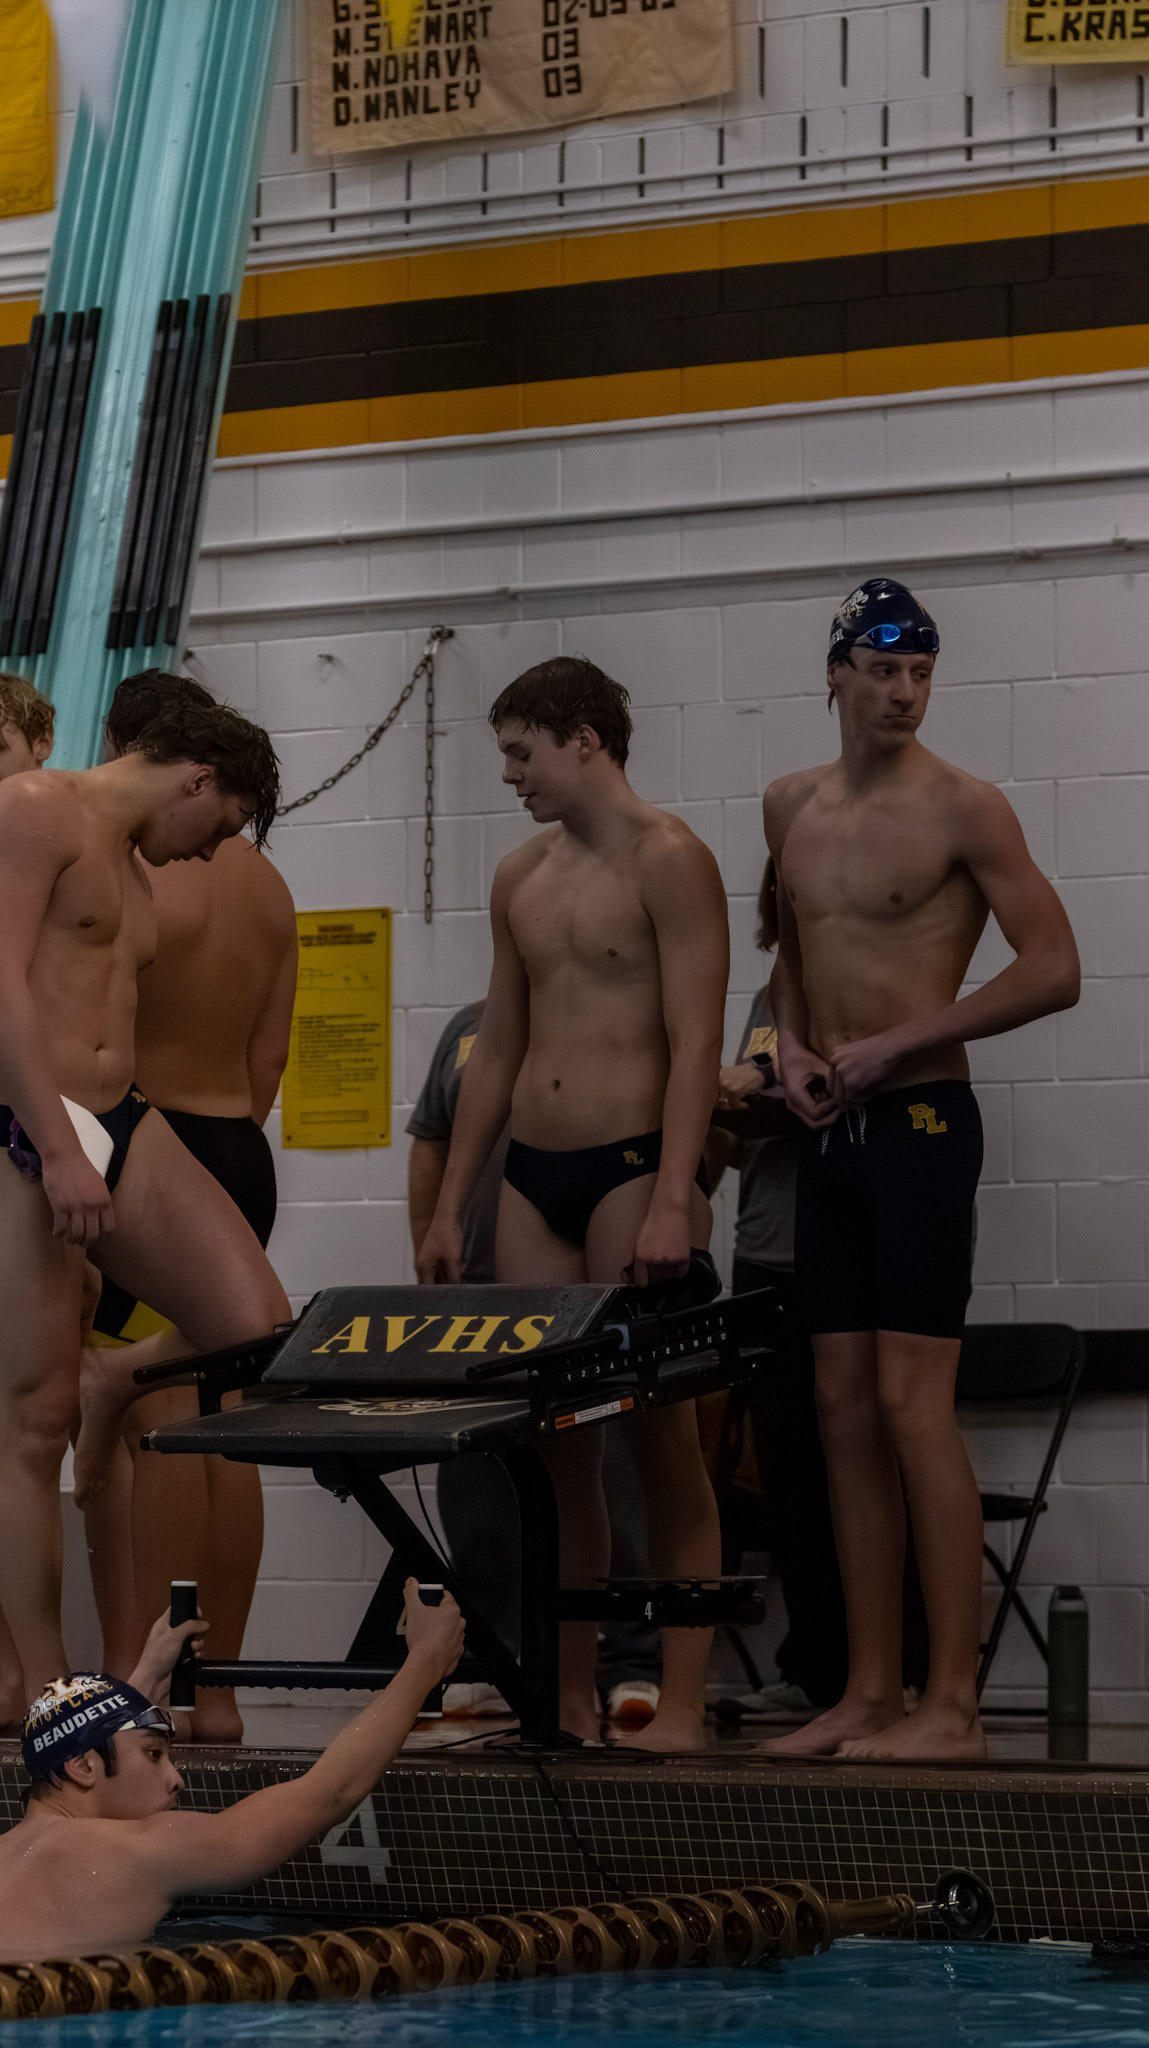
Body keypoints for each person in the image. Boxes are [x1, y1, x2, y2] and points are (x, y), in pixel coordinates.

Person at [762, 578, 1080, 1762]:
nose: (905, 692)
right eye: (885, 669)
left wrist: (902, 1039)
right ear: (837, 673)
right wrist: (792, 1047)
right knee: (840, 1410)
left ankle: (953, 1704)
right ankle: (870, 1690)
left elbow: (1055, 966)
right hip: (830, 1134)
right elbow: (794, 951)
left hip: (924, 1125)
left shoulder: (967, 807)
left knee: (910, 1405)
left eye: (922, 673)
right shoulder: (787, 804)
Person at [416, 657, 728, 1750]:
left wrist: (676, 1194)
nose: (510, 774)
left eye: (521, 752)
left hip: (633, 1169)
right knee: (559, 1455)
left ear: (583, 738)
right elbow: (498, 1047)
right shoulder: (520, 875)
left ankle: (679, 1701)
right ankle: (570, 1696)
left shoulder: (671, 859)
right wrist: (450, 1204)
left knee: (663, 1444)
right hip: (530, 1181)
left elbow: (696, 1040)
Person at [0, 692, 292, 1703]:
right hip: (24, 1126)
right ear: (195, 778)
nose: (207, 851)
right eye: (218, 825)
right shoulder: (36, 808)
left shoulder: (130, 863)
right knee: (33, 1419)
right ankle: (48, 1691)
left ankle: (113, 1380)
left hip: (121, 1117)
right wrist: (55, 1147)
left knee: (257, 1325)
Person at [87, 669, 298, 1743]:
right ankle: (220, 1695)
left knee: (151, 1421)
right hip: (239, 1150)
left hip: (151, 1154)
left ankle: (147, 1687)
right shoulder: (265, 882)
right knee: (225, 1425)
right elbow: (270, 1061)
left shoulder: (133, 865)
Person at [408, 1002, 662, 1728]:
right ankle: (498, 1652)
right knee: (478, 1484)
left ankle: (630, 1659)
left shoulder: (607, 1013)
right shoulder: (465, 1031)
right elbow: (429, 1145)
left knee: (607, 1470)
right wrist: (429, 1233)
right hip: (483, 1286)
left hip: (583, 1282)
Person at [0, 1583, 463, 1963]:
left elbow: (91, 1743)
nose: (177, 1779)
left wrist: (148, 1674)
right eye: (155, 1755)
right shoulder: (138, 1852)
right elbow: (329, 1793)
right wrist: (426, 1661)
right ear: (82, 1768)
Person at [0, 677, 138, 1718]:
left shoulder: (61, 834)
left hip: (65, 1140)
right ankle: (29, 1674)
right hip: (46, 1140)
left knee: (36, 1419)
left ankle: (46, 1671)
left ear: (41, 739)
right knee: (26, 1424)